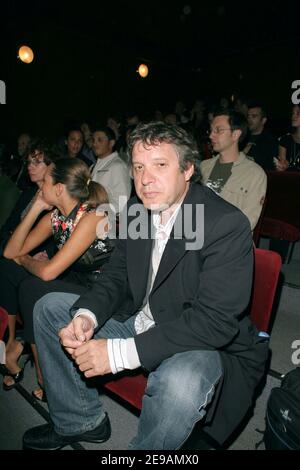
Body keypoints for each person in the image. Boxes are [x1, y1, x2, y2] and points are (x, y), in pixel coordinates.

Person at [23, 122, 269, 450]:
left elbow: (214, 322)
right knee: (50, 309)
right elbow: (117, 275)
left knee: (180, 383)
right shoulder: (140, 211)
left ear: (188, 170)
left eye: (160, 165)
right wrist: (88, 315)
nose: (145, 179)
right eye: (138, 167)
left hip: (199, 340)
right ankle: (80, 420)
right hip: (142, 318)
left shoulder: (224, 224)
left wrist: (121, 353)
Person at [0, 158, 113, 393]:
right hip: (75, 283)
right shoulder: (55, 217)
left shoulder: (92, 217)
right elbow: (10, 252)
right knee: (7, 267)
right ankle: (12, 344)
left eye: (46, 182)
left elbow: (49, 272)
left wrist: (27, 260)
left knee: (33, 286)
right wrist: (37, 207)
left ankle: (44, 376)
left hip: (103, 291)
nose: (41, 185)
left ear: (59, 189)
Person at [200, 108, 267, 231]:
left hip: (229, 242)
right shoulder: (204, 167)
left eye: (218, 130)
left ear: (236, 134)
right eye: (211, 130)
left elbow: (247, 222)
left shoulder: (254, 174)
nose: (211, 135)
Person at [243, 103, 278, 171]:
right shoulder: (241, 137)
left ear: (263, 120)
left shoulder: (270, 141)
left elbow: (270, 167)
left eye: (254, 116)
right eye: (248, 116)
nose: (249, 119)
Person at [275, 104, 300, 171]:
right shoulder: (285, 139)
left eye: (298, 113)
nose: (293, 116)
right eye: (293, 113)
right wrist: (282, 166)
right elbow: (281, 167)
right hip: (289, 180)